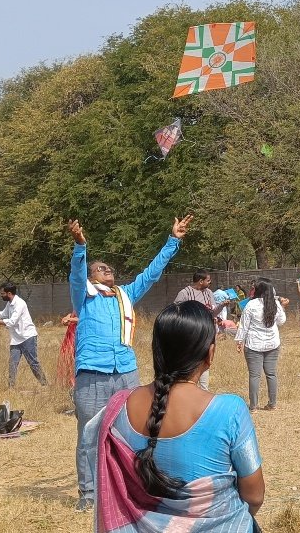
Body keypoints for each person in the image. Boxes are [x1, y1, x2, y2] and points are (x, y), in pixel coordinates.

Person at [85, 301, 265, 531]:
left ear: (156, 351)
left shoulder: (118, 407)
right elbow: (254, 496)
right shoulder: (230, 410)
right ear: (210, 354)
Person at [67, 215, 193, 513]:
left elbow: (151, 274)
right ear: (91, 277)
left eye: (109, 267)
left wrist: (173, 241)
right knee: (90, 435)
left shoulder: (125, 295)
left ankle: (131, 485)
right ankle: (89, 493)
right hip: (92, 374)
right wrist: (80, 246)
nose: (107, 270)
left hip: (126, 372)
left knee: (133, 430)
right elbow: (77, 274)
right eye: (101, 268)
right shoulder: (83, 296)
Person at [0, 283, 49, 389]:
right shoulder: (10, 303)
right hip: (16, 339)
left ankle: (44, 384)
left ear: (9, 293)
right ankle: (11, 387)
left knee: (32, 362)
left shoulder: (20, 303)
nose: (1, 296)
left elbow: (12, 322)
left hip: (27, 337)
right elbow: (3, 314)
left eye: (2, 294)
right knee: (12, 363)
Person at [236, 278, 288, 410]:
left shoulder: (251, 305)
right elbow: (281, 321)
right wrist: (282, 307)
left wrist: (239, 341)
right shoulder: (275, 304)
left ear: (258, 290)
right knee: (271, 374)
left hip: (254, 344)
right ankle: (272, 404)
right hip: (272, 344)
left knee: (254, 376)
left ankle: (253, 406)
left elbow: (243, 325)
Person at [175, 270, 224, 391]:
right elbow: (176, 312)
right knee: (191, 362)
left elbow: (213, 312)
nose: (210, 282)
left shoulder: (209, 293)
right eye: (208, 280)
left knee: (204, 361)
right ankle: (188, 390)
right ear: (201, 281)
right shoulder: (185, 293)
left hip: (207, 334)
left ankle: (203, 392)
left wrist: (222, 306)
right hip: (191, 334)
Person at [57, 312, 79, 388]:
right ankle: (70, 383)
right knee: (69, 361)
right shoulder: (75, 309)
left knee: (76, 360)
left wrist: (70, 319)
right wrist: (66, 319)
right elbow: (70, 317)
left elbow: (83, 319)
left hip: (78, 337)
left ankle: (76, 383)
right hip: (70, 337)